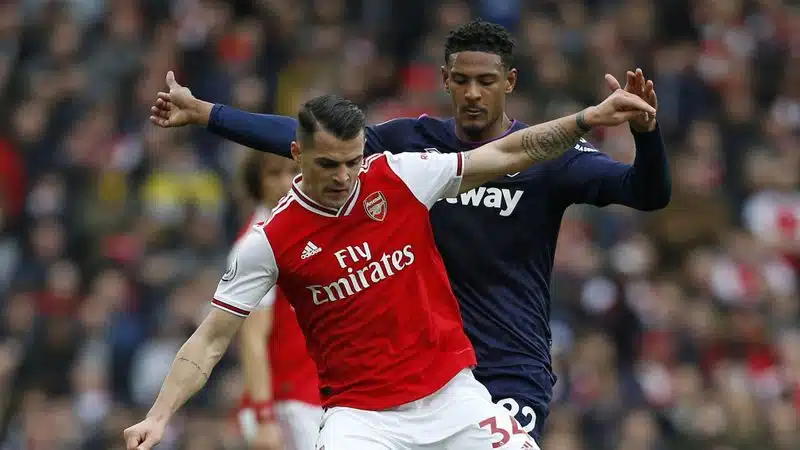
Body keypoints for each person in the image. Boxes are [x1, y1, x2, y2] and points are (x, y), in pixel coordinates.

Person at [148, 20, 670, 444]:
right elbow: (314, 139)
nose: (472, 93)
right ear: (444, 79)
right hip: (412, 368)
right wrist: (208, 113)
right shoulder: (410, 152)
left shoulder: (547, 156)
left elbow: (645, 193)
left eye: (486, 81)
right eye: (461, 80)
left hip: (507, 364)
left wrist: (645, 136)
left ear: (509, 82)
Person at [233, 152, 322, 450]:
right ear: (256, 182)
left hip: (320, 394)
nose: (286, 183)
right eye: (274, 174)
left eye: (294, 171)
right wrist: (265, 417)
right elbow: (252, 337)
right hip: (288, 404)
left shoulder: (307, 225)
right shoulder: (255, 245)